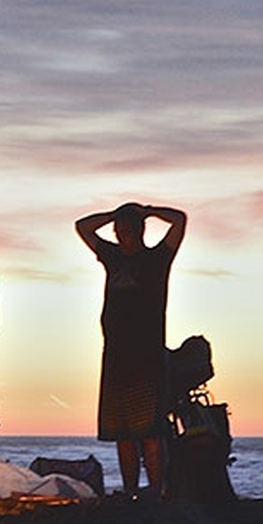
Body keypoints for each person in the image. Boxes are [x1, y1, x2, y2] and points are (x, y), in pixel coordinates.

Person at [76, 202, 187, 499]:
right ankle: (130, 490)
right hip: (115, 354)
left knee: (150, 430)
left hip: (147, 355)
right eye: (118, 231)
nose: (121, 236)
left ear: (139, 231)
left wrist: (148, 210)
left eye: (126, 230)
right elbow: (83, 227)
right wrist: (113, 214)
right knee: (122, 431)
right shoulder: (112, 256)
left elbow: (179, 220)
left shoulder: (157, 258)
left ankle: (156, 490)